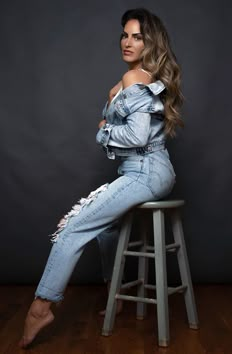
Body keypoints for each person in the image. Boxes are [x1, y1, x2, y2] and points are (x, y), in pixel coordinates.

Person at [19, 7, 184, 348]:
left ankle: (41, 307)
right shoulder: (139, 77)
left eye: (137, 36)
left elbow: (136, 137)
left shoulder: (134, 79)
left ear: (150, 42)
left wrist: (103, 131)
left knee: (73, 227)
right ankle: (116, 293)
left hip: (145, 171)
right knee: (107, 228)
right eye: (125, 34)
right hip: (150, 170)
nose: (127, 41)